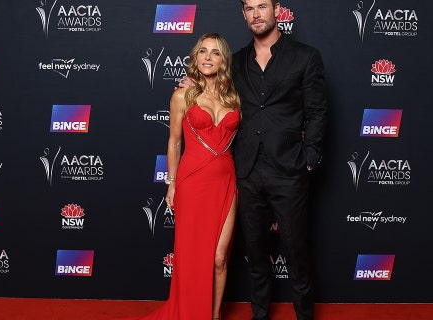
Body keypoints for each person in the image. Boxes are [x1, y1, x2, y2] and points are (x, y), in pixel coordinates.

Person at [182, 1, 327, 319]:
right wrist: (192, 84)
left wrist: (310, 158)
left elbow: (316, 111)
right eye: (249, 8)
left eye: (262, 6)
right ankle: (260, 315)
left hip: (289, 170)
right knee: (255, 255)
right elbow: (211, 86)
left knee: (297, 253)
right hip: (246, 171)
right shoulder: (235, 62)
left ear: (277, 9)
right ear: (244, 14)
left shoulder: (305, 56)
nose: (256, 14)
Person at [129, 33, 241, 320]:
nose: (207, 57)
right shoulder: (182, 95)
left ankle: (214, 315)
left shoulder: (235, 97)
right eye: (202, 51)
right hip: (193, 182)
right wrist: (172, 183)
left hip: (226, 182)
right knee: (192, 259)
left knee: (219, 257)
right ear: (195, 57)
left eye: (215, 53)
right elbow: (174, 143)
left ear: (223, 60)